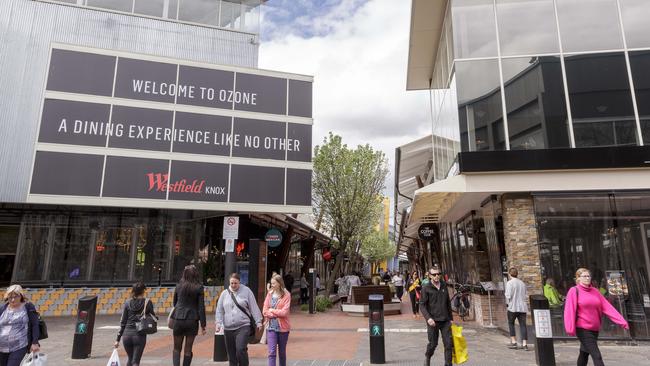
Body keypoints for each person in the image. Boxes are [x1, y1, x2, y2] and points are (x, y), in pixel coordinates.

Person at [564, 268, 629, 366]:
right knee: (597, 356)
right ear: (578, 278)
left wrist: (622, 321)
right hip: (582, 329)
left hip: (594, 329)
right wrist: (570, 328)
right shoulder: (574, 291)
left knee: (584, 353)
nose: (587, 278)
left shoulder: (595, 291)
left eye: (588, 276)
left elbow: (607, 307)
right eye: (584, 276)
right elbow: (569, 310)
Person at [216, 273, 263, 366]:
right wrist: (218, 323)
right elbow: (219, 310)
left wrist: (258, 321)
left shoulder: (247, 291)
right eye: (231, 283)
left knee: (240, 349)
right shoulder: (224, 294)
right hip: (228, 328)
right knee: (231, 354)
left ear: (239, 282)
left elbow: (253, 306)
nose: (233, 285)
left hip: (243, 326)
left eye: (235, 283)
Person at [171, 265, 206, 366]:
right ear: (196, 274)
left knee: (176, 348)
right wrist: (203, 325)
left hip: (178, 318)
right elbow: (201, 307)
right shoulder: (199, 287)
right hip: (192, 320)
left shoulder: (179, 286)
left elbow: (175, 303)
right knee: (188, 349)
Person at [114, 282, 157, 366]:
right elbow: (153, 316)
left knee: (130, 359)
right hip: (139, 335)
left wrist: (117, 339)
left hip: (126, 335)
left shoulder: (127, 303)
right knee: (135, 361)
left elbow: (123, 322)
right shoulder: (147, 302)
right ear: (143, 291)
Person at [419, 267, 453, 366]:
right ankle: (428, 356)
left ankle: (448, 364)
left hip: (445, 320)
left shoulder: (443, 285)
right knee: (433, 344)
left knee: (448, 344)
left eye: (438, 274)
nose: (437, 276)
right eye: (434, 274)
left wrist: (451, 318)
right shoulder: (426, 288)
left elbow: (447, 303)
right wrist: (428, 318)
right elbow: (422, 304)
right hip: (433, 321)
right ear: (430, 276)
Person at [0, 285, 40, 366]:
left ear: (21, 296)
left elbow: (35, 324)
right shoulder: (3, 308)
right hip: (1, 347)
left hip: (19, 346)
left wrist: (35, 342)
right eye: (10, 297)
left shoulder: (28, 306)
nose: (13, 299)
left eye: (16, 296)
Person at [262, 274, 291, 366]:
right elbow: (264, 311)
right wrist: (273, 314)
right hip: (271, 328)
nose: (271, 285)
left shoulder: (287, 295)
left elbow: (284, 313)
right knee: (271, 352)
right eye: (271, 283)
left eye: (273, 283)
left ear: (279, 283)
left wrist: (272, 310)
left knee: (282, 353)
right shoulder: (269, 294)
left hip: (283, 328)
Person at [505, 267, 529, 351]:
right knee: (523, 325)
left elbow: (508, 295)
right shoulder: (522, 283)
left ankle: (514, 342)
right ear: (517, 274)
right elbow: (526, 295)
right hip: (522, 307)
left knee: (511, 324)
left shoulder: (509, 283)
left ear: (509, 274)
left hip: (513, 307)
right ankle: (525, 344)